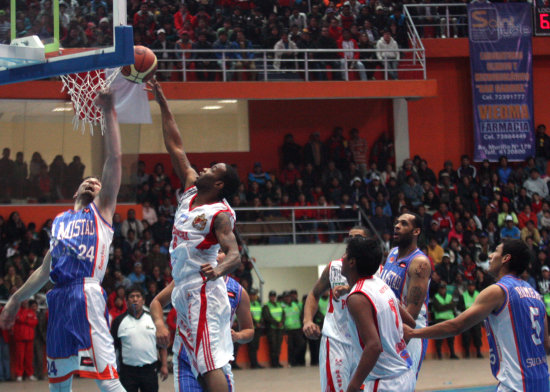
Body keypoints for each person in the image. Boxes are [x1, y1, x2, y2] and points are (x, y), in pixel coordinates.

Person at [0, 90, 126, 392]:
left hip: (86, 294)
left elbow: (115, 158)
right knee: (57, 385)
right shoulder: (61, 225)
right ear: (76, 192)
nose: (94, 182)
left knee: (108, 382)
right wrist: (16, 299)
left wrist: (109, 112)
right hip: (58, 299)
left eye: (98, 182)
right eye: (89, 180)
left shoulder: (103, 211)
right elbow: (44, 272)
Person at [148, 79, 241, 392]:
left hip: (203, 291)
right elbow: (175, 144)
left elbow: (235, 253)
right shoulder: (190, 188)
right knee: (194, 361)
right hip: (184, 290)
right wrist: (162, 101)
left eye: (213, 169)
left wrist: (218, 269)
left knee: (208, 361)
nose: (204, 168)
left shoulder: (220, 214)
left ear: (219, 185)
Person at [406, 239, 550, 391]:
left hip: (516, 385)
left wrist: (413, 333)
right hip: (542, 382)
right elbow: (546, 345)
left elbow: (456, 326)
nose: (490, 256)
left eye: (495, 252)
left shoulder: (499, 291)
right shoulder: (536, 296)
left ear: (505, 258)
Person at [150, 252, 254, 392]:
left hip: (218, 361)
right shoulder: (187, 278)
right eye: (213, 251)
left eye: (220, 252)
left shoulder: (238, 291)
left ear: (228, 256)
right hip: (186, 360)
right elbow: (156, 302)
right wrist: (159, 324)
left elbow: (249, 330)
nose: (216, 256)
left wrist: (238, 336)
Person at [342, 236, 416, 392]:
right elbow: (410, 323)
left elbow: (374, 346)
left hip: (385, 382)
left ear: (352, 262)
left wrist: (353, 386)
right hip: (405, 373)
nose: (342, 258)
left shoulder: (357, 297)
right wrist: (394, 345)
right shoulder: (380, 284)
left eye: (346, 254)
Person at [302, 226, 368, 392]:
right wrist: (308, 320)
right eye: (350, 238)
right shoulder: (334, 268)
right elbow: (314, 294)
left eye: (358, 238)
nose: (352, 241)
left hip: (364, 345)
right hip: (336, 340)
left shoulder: (376, 271)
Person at [379, 213, 431, 378]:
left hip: (409, 329)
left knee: (403, 382)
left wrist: (398, 343)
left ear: (416, 231)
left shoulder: (419, 263)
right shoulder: (392, 253)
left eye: (403, 223)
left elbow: (412, 311)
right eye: (396, 222)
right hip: (390, 325)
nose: (397, 226)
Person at [110, 285, 168, 392]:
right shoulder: (118, 321)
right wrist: (112, 369)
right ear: (126, 301)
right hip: (127, 371)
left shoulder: (153, 319)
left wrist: (164, 365)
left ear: (143, 300)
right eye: (131, 297)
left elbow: (162, 345)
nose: (135, 299)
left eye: (138, 296)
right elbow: (113, 348)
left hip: (150, 370)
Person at [432, 282, 458, 360]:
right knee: (439, 337)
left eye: (444, 288)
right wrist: (449, 305)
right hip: (440, 319)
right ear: (439, 289)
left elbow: (453, 306)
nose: (443, 290)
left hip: (450, 319)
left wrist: (444, 306)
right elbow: (438, 308)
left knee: (451, 338)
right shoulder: (435, 297)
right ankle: (439, 354)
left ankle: (452, 354)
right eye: (441, 288)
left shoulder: (450, 296)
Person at [458, 281, 483, 359]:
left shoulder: (479, 294)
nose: (471, 287)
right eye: (469, 286)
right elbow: (460, 307)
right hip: (466, 319)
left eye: (472, 286)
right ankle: (467, 353)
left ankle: (478, 352)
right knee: (466, 335)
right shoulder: (463, 295)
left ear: (474, 287)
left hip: (476, 318)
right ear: (467, 287)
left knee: (477, 335)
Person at [263, 290, 285, 367]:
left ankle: (277, 362)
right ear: (269, 297)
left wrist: (281, 322)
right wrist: (277, 323)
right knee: (273, 346)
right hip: (272, 329)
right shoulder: (266, 306)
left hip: (279, 328)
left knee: (278, 346)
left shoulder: (279, 305)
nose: (273, 298)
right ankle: (274, 363)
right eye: (271, 296)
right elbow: (267, 317)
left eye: (274, 296)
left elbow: (283, 314)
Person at [247, 288, 264, 368]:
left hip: (258, 328)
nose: (253, 297)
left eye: (254, 295)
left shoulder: (258, 304)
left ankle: (255, 362)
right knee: (252, 346)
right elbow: (248, 314)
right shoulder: (246, 303)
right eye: (251, 295)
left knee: (256, 346)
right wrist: (255, 323)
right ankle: (253, 363)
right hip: (251, 327)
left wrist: (260, 322)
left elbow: (261, 314)